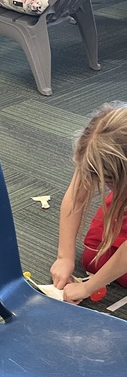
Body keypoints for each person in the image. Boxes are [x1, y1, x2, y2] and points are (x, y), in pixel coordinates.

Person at [51, 103, 127, 303]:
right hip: (123, 198)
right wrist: (64, 256)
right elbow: (76, 196)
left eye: (107, 181)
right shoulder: (101, 141)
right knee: (94, 260)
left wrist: (87, 287)